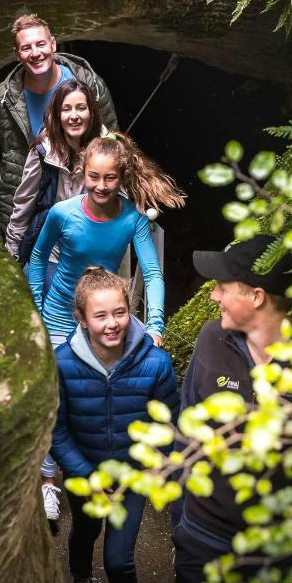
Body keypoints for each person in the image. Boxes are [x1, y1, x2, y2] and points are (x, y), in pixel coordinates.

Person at [28, 131, 184, 530]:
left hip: (104, 317)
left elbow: (151, 273)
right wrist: (34, 310)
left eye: (109, 178)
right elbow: (37, 259)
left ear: (121, 177)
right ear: (82, 173)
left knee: (95, 396)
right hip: (60, 316)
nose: (100, 186)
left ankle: (100, 473)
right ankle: (49, 481)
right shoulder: (62, 213)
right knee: (56, 397)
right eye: (93, 177)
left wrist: (154, 324)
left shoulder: (132, 219)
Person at [172, 235, 292, 583]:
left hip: (281, 555)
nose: (213, 296)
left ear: (257, 296)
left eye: (223, 287)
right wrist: (182, 524)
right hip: (204, 540)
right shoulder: (211, 339)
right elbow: (186, 427)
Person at [51, 266, 180, 583]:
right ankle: (80, 577)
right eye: (101, 315)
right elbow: (56, 428)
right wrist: (86, 474)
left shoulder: (156, 364)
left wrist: (154, 465)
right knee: (84, 531)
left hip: (132, 476)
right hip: (85, 473)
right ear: (82, 318)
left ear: (130, 311)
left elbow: (167, 423)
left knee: (118, 560)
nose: (112, 323)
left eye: (120, 313)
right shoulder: (62, 364)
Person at [0, 14, 118, 238]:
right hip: (17, 212)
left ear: (53, 44)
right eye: (26, 47)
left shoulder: (90, 87)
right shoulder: (2, 98)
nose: (35, 53)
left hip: (78, 208)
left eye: (41, 44)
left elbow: (112, 143)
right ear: (17, 54)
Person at [4, 78, 106, 265]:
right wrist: (11, 255)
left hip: (93, 253)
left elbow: (119, 199)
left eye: (81, 108)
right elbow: (23, 204)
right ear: (57, 114)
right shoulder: (43, 153)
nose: (74, 116)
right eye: (66, 109)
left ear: (91, 112)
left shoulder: (106, 151)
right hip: (50, 252)